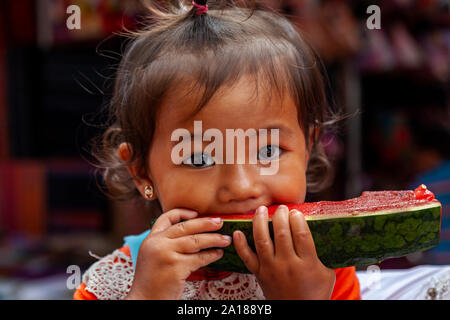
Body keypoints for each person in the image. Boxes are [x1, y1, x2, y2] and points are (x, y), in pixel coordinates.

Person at [74, 0, 361, 300]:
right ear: (142, 172)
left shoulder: (325, 272)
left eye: (268, 152)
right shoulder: (114, 284)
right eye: (199, 159)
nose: (241, 187)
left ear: (308, 149)